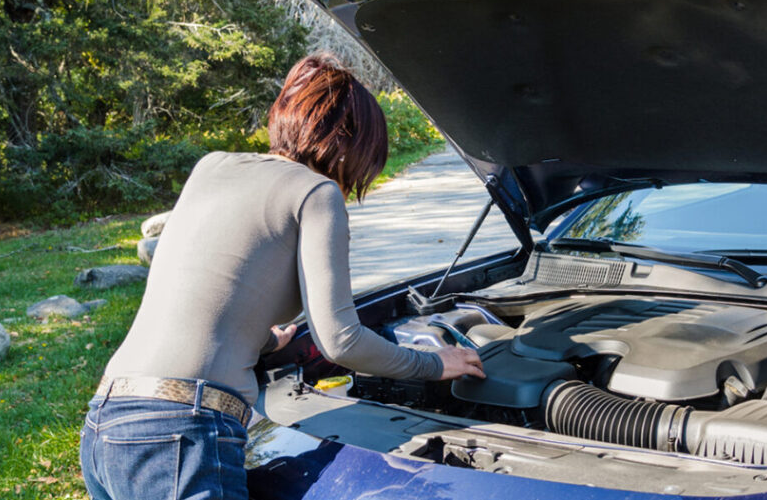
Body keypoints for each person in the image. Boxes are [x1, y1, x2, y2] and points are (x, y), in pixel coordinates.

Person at [79, 52, 485, 500]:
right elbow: (341, 341)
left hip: (107, 419)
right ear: (348, 145)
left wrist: (265, 339)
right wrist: (432, 364)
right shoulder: (315, 190)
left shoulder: (211, 166)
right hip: (184, 432)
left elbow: (200, 287)